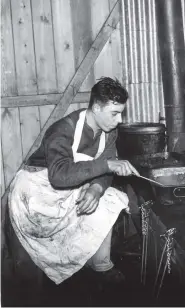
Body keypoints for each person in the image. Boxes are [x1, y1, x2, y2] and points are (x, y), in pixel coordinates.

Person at [8, 77, 140, 285]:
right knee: (29, 272)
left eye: (121, 113)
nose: (119, 120)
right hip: (34, 193)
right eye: (114, 113)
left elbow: (104, 171)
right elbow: (59, 175)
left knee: (110, 199)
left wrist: (96, 189)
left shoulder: (109, 133)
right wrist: (107, 165)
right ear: (97, 107)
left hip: (66, 189)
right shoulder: (63, 129)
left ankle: (100, 264)